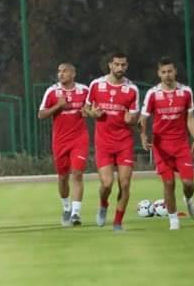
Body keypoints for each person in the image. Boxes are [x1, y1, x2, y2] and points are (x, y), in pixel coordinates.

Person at [139, 57, 194, 230]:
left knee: (188, 184)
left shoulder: (186, 92)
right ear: (159, 74)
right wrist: (143, 135)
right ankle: (173, 220)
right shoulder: (153, 94)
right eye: (164, 72)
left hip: (181, 145)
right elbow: (143, 118)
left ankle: (188, 199)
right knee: (168, 183)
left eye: (170, 71)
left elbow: (190, 118)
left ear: (175, 72)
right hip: (161, 146)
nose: (167, 75)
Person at [84, 51, 140, 231]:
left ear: (127, 66)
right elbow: (86, 109)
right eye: (116, 64)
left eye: (123, 65)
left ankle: (117, 222)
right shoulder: (96, 85)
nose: (120, 68)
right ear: (110, 65)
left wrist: (131, 119)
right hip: (104, 142)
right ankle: (103, 204)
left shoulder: (132, 89)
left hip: (124, 142)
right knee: (107, 184)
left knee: (125, 183)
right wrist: (93, 113)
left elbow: (134, 116)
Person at [37, 63, 91, 226]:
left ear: (73, 74)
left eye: (65, 71)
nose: (61, 74)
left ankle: (76, 213)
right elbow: (41, 114)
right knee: (62, 177)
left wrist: (88, 112)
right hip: (60, 141)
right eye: (59, 71)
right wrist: (58, 106)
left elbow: (92, 109)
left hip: (79, 138)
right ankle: (67, 207)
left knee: (77, 173)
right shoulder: (52, 91)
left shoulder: (84, 90)